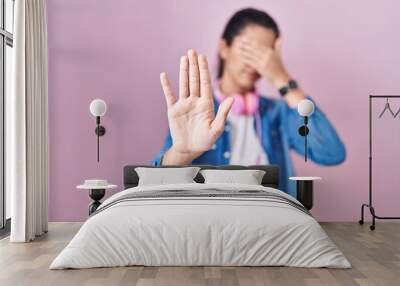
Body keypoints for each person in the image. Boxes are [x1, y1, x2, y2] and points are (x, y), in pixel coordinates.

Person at [152, 8, 346, 197]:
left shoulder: (277, 113)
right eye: (248, 49)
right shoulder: (194, 112)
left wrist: (282, 78)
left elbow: (331, 152)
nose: (255, 62)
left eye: (264, 54)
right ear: (224, 48)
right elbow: (153, 184)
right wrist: (181, 153)